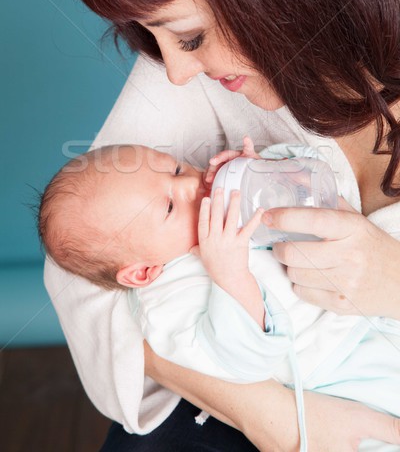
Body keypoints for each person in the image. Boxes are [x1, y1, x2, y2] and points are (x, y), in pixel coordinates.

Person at [45, 0, 400, 449]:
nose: (176, 72)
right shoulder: (201, 50)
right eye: (152, 36)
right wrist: (273, 418)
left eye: (190, 37)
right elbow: (83, 262)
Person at [39, 140, 400, 451]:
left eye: (177, 169)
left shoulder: (226, 207)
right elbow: (245, 362)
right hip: (341, 369)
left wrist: (266, 167)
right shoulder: (166, 309)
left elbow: (319, 184)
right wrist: (230, 275)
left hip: (371, 306)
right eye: (168, 207)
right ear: (142, 272)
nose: (192, 186)